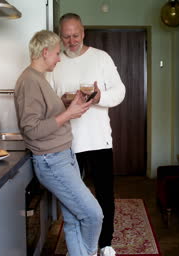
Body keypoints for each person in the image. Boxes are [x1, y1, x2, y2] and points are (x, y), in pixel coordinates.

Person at [14, 30, 103, 256]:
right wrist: (69, 113)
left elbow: (46, 116)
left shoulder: (37, 78)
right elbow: (32, 130)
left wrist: (69, 104)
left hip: (62, 156)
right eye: (56, 53)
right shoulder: (29, 81)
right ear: (45, 53)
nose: (59, 58)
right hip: (52, 161)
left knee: (73, 220)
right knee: (93, 214)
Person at [46, 13, 126, 256]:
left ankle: (106, 244)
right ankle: (80, 246)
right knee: (73, 200)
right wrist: (60, 102)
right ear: (60, 36)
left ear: (84, 33)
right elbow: (47, 100)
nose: (71, 41)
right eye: (66, 36)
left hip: (98, 139)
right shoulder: (55, 63)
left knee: (104, 194)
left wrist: (100, 97)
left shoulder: (101, 58)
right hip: (66, 142)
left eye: (76, 35)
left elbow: (120, 91)